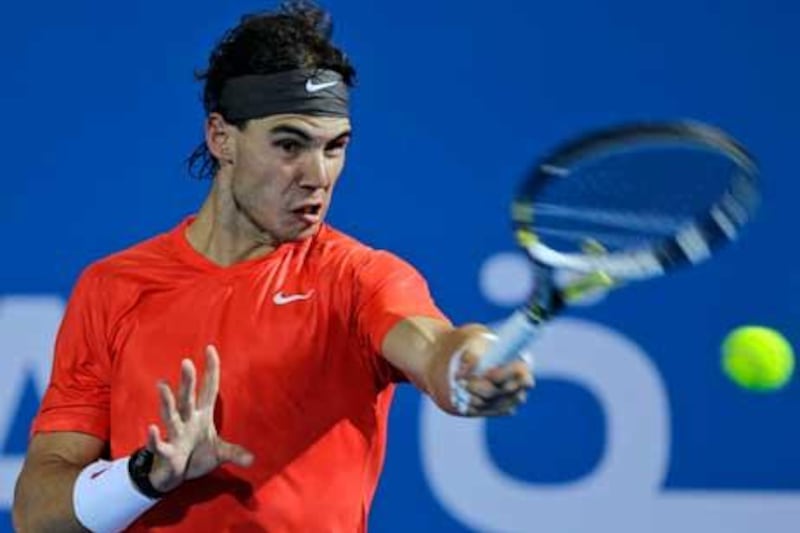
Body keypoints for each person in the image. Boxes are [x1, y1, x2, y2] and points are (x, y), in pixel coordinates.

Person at [11, 2, 533, 531]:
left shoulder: (361, 279)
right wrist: (146, 475)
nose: (318, 175)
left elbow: (433, 348)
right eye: (290, 144)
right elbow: (36, 516)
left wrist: (466, 364)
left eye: (336, 147)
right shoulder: (113, 288)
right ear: (221, 137)